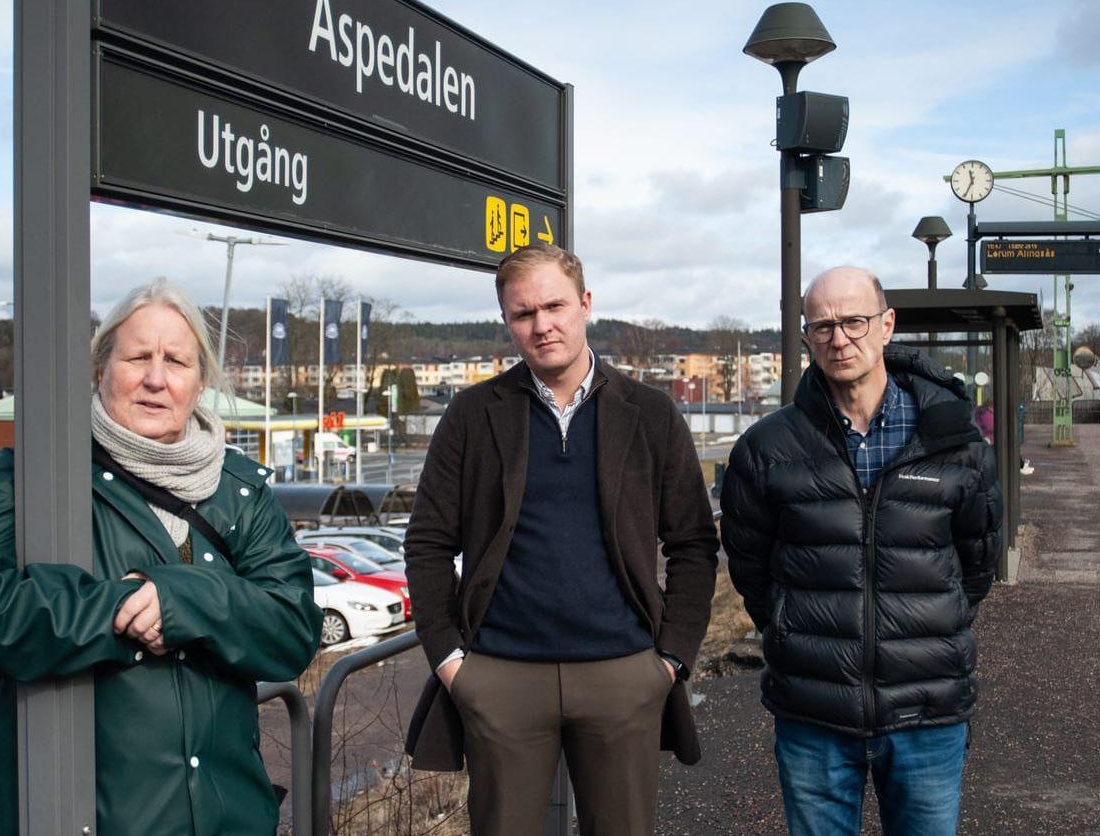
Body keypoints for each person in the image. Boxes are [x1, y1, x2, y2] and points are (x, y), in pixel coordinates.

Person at [0, 277, 322, 836]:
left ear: (199, 380)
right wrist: (117, 609)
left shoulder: (238, 488)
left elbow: (295, 630)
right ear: (100, 368)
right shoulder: (34, 474)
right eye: (138, 357)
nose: (156, 379)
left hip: (233, 820)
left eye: (177, 362)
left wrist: (183, 599)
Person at [404, 244, 719, 835]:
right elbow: (426, 544)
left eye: (554, 306)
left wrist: (671, 659)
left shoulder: (649, 414)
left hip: (624, 673)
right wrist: (451, 663)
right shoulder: (473, 415)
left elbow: (693, 544)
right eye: (523, 314)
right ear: (506, 321)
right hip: (501, 675)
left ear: (586, 304)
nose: (542, 325)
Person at [720, 266, 1001, 836]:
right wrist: (790, 625)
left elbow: (977, 562)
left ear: (886, 325)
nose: (839, 338)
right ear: (806, 337)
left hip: (926, 709)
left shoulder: (953, 441)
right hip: (814, 713)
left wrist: (924, 629)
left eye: (854, 321)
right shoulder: (768, 448)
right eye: (822, 326)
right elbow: (750, 563)